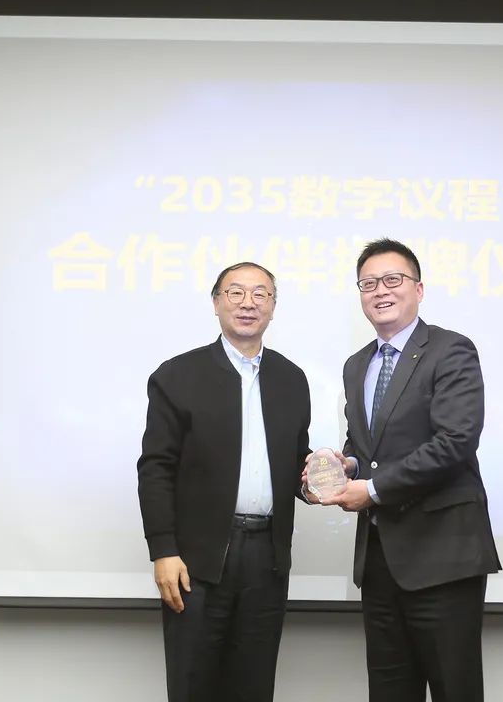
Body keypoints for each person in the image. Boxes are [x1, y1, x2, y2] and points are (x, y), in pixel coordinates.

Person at [318, 238, 501, 702]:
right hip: (380, 561)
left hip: (443, 558)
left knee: (454, 689)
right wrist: (347, 465)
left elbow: (455, 441)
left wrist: (372, 489)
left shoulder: (451, 350)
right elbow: (365, 446)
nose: (380, 290)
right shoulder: (356, 365)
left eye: (392, 279)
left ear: (418, 289)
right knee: (389, 690)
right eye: (368, 283)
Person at [136, 262, 310, 702]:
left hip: (267, 560)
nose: (248, 303)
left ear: (273, 307)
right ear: (216, 303)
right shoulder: (177, 375)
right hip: (197, 562)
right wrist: (163, 550)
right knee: (194, 683)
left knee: (254, 686)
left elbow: (294, 463)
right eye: (236, 292)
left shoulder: (292, 379)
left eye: (260, 294)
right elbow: (155, 467)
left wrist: (320, 478)